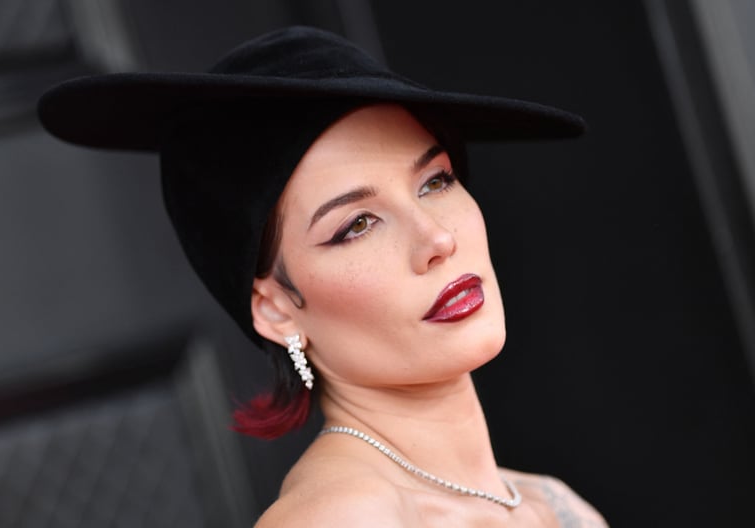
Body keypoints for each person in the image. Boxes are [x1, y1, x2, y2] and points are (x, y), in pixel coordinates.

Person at [38, 25, 608, 527]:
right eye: (357, 224)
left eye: (435, 181)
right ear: (276, 307)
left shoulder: (554, 505)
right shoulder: (338, 520)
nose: (437, 240)